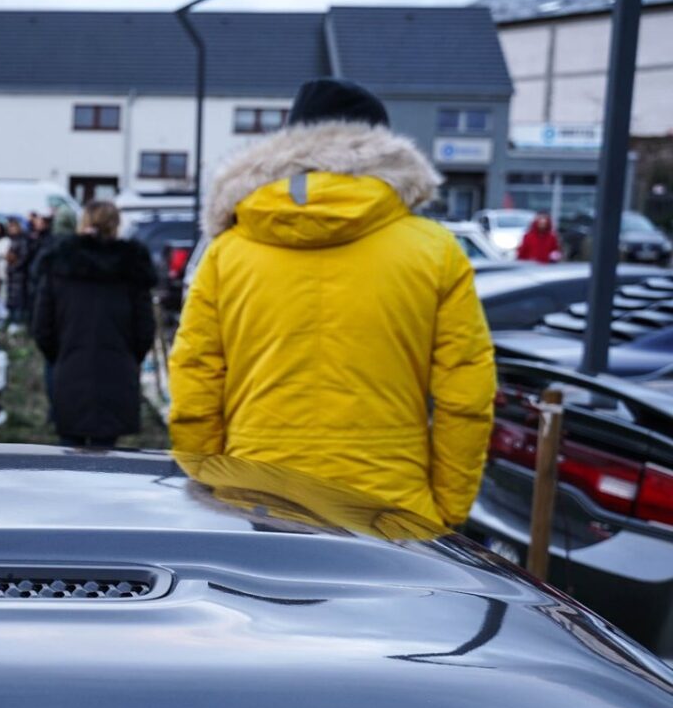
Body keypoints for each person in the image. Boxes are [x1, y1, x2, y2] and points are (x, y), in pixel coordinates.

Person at [167, 76, 495, 528]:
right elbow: (466, 394)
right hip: (390, 505)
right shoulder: (436, 251)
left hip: (255, 498)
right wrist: (448, 508)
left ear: (287, 146)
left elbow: (195, 380)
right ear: (384, 150)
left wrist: (210, 484)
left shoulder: (228, 253)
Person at [33, 200, 155, 447]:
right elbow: (144, 330)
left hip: (70, 371)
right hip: (117, 373)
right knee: (108, 457)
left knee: (68, 457)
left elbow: (42, 328)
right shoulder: (131, 266)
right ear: (116, 225)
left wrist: (61, 356)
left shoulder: (61, 262)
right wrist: (128, 358)